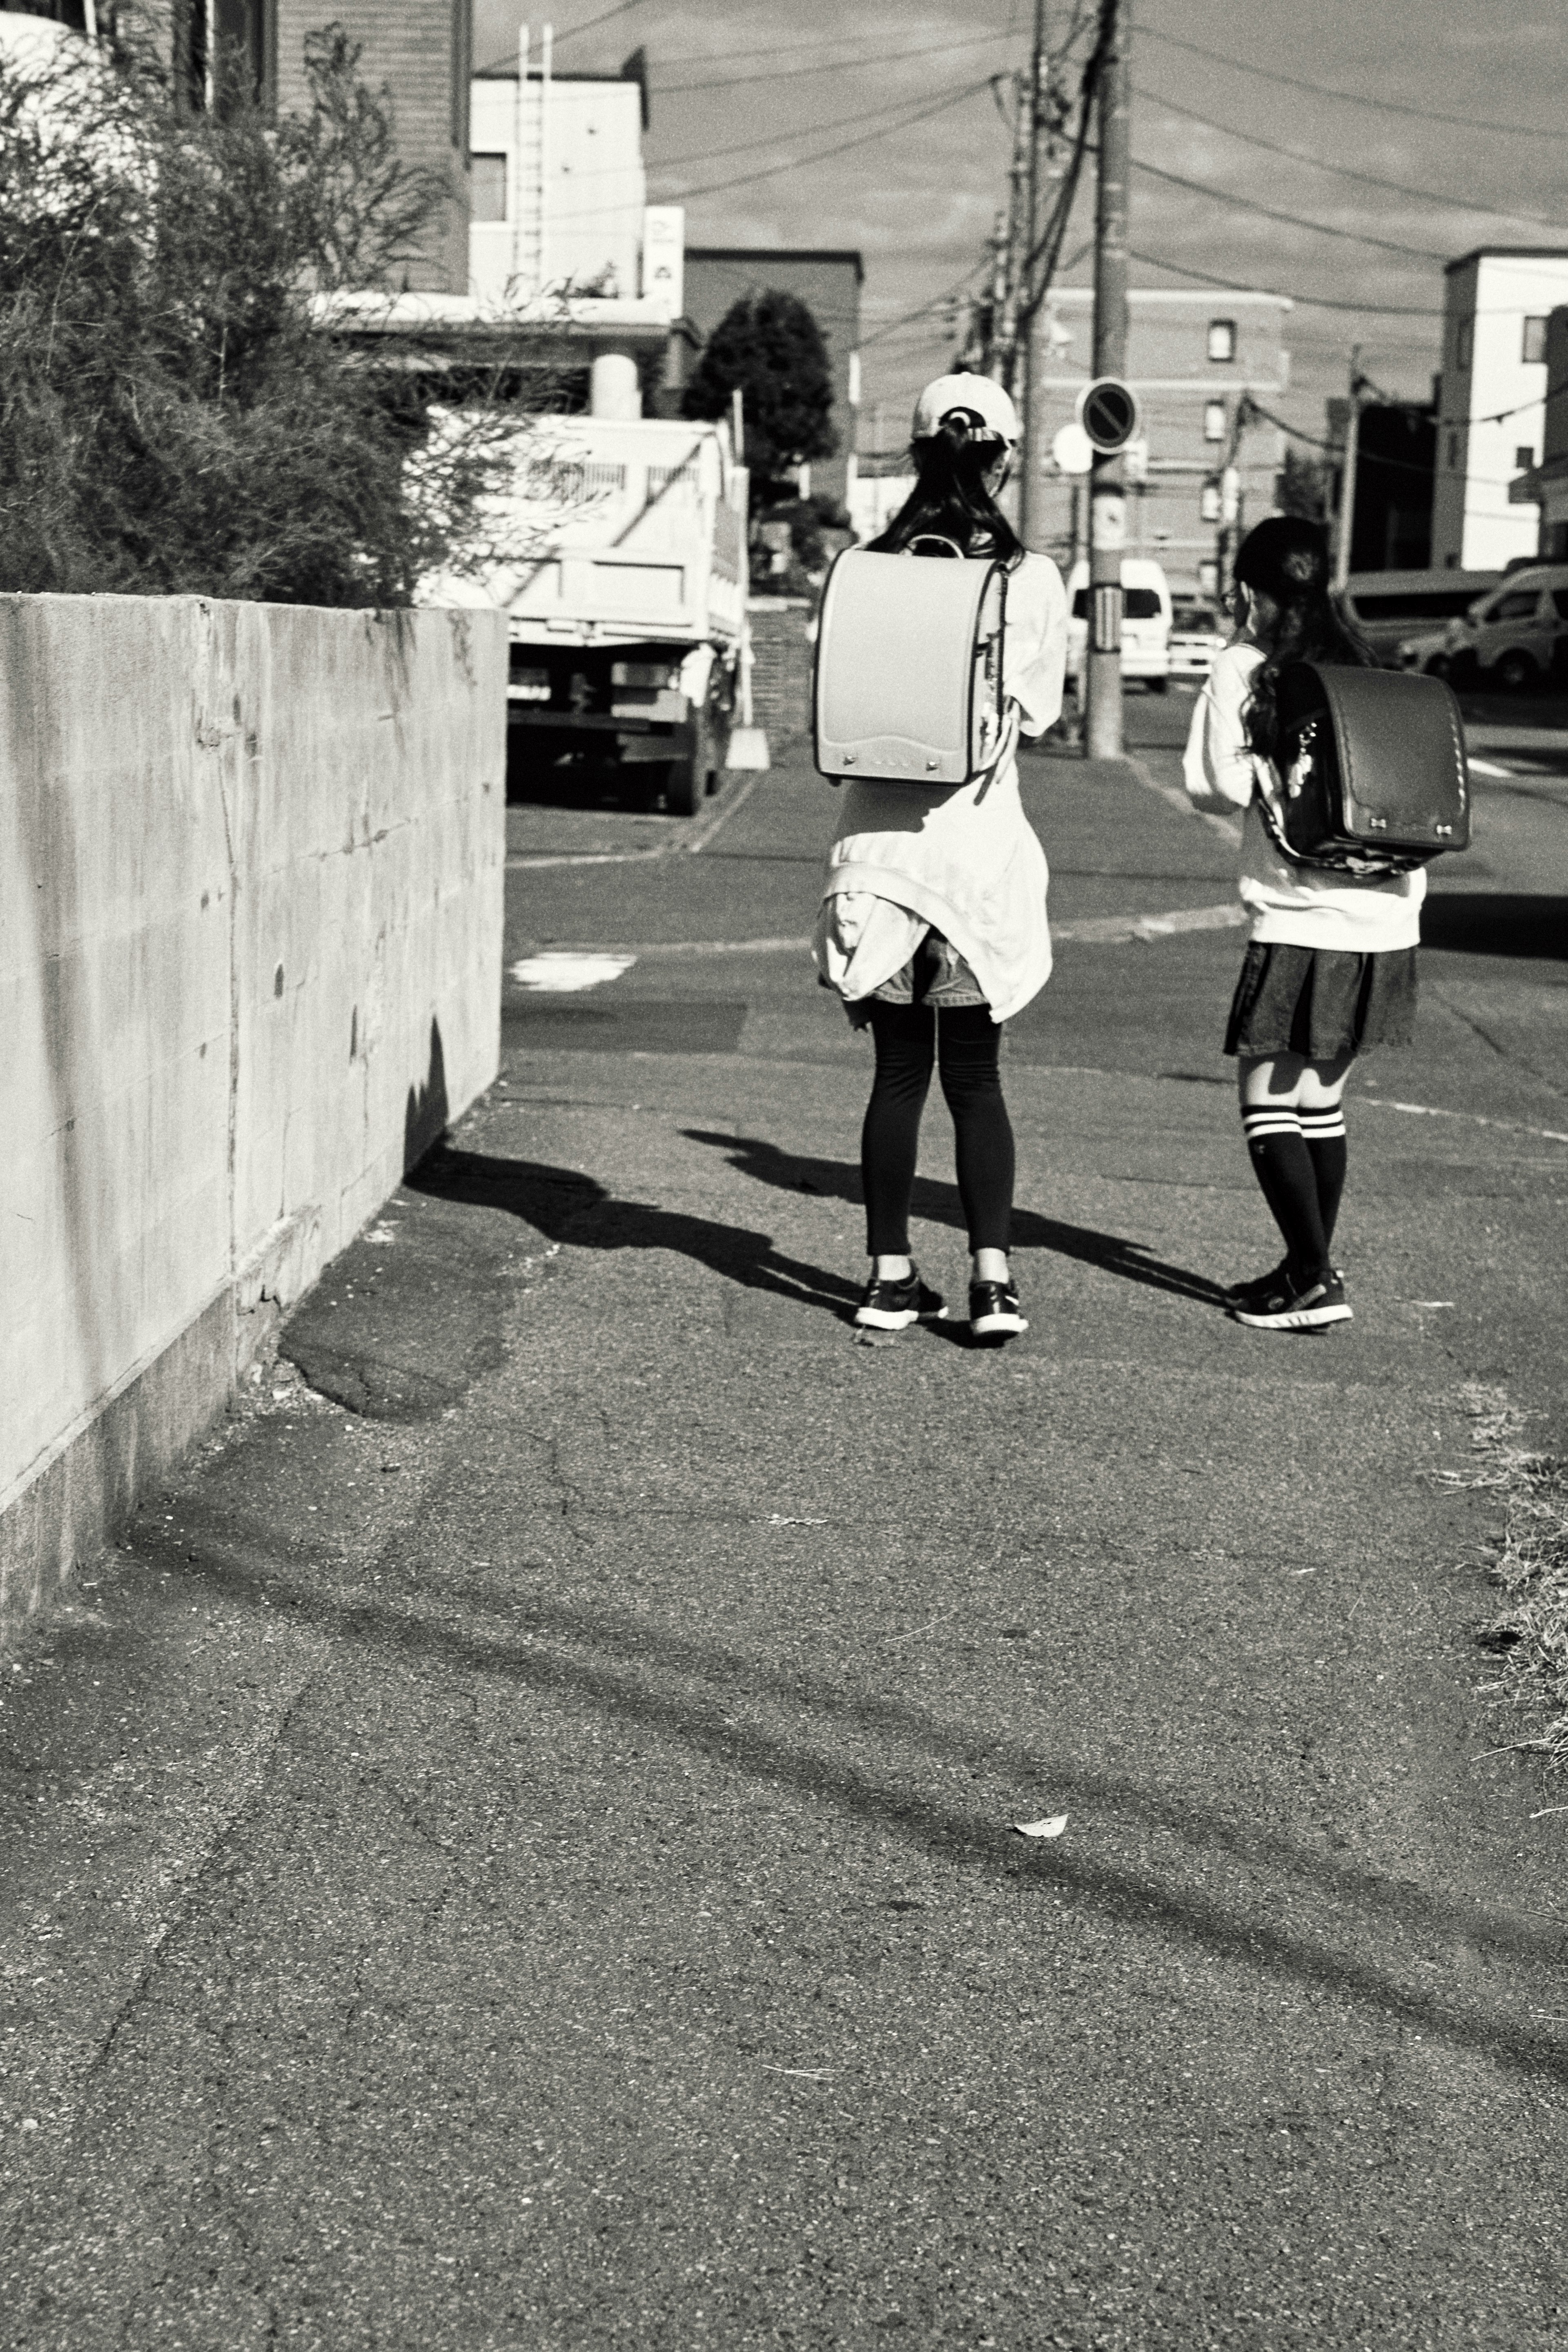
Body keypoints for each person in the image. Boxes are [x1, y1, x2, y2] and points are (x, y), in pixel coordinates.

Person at [812, 373, 1068, 1343]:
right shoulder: (1028, 578)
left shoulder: (859, 568)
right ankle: (993, 1283)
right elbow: (1038, 713)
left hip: (874, 866)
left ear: (916, 452)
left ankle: (886, 1280)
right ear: (1001, 457)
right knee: (976, 1083)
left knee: (894, 1082)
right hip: (972, 868)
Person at [1183, 514, 1423, 1332]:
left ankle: (1315, 1278)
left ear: (1250, 593)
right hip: (1388, 917)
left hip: (1302, 917)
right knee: (1319, 1098)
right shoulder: (1367, 667)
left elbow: (1214, 780)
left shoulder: (1247, 669)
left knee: (1265, 1095)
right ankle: (1305, 1268)